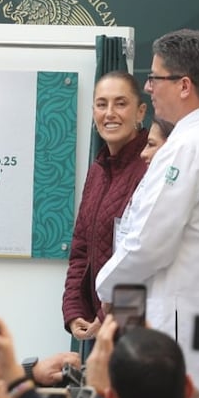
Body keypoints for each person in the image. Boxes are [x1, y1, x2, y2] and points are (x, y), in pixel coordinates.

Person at [95, 29, 199, 398]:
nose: (148, 87)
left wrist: (104, 284)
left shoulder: (188, 146)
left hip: (186, 332)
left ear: (184, 85)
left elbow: (149, 243)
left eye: (155, 78)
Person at [62, 71, 148, 339]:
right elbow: (80, 250)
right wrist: (75, 311)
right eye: (102, 104)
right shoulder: (98, 170)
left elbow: (145, 261)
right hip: (100, 330)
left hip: (138, 328)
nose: (109, 113)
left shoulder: (151, 168)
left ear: (140, 112)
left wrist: (107, 318)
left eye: (120, 103)